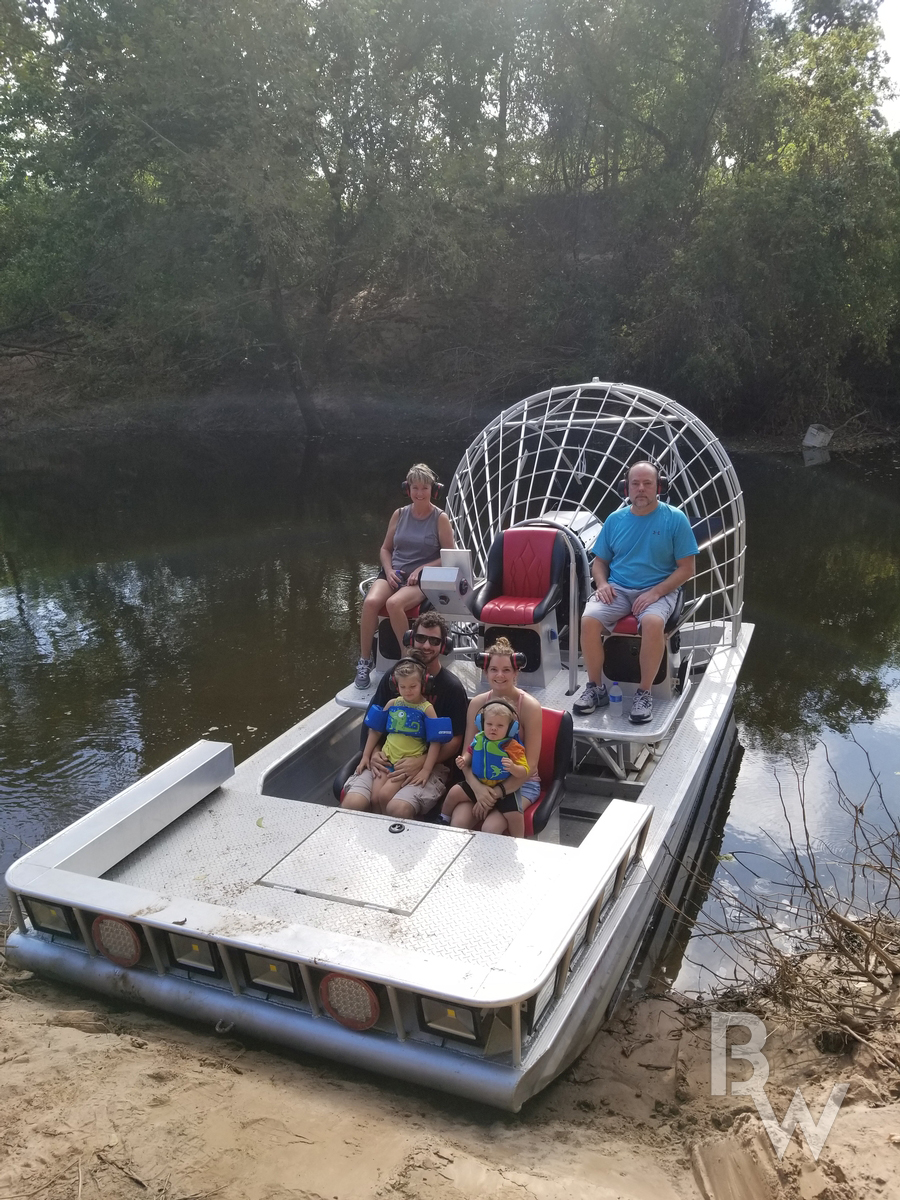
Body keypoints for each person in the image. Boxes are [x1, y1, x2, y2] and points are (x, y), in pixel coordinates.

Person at [573, 460, 698, 724]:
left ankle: (644, 693)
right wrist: (603, 584)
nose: (641, 489)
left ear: (659, 487)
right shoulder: (615, 520)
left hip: (658, 589)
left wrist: (655, 593)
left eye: (647, 483)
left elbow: (687, 568)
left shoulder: (675, 518)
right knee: (588, 620)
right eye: (635, 484)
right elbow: (600, 562)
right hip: (618, 587)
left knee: (652, 622)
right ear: (626, 488)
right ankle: (596, 687)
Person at [341, 611, 468, 820]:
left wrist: (422, 762)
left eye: (434, 641)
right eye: (420, 638)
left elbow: (455, 741)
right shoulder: (393, 678)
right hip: (386, 756)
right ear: (410, 638)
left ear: (443, 646)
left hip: (429, 764)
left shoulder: (452, 688)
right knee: (353, 804)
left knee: (396, 808)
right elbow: (373, 724)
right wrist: (372, 754)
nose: (426, 645)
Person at [355, 463, 455, 689]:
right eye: (415, 488)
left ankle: (407, 660)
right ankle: (364, 661)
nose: (420, 493)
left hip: (421, 578)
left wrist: (423, 569)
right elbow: (385, 549)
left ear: (434, 490)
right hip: (394, 572)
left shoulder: (440, 518)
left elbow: (450, 556)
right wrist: (389, 571)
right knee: (370, 602)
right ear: (407, 490)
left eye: (424, 488)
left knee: (393, 604)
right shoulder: (399, 514)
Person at [449, 637, 542, 836]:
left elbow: (531, 765)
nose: (500, 675)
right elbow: (468, 755)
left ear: (517, 672)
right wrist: (478, 789)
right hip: (482, 780)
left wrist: (495, 794)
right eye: (494, 669)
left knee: (490, 828)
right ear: (486, 671)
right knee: (458, 821)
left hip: (520, 782)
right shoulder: (477, 704)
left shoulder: (529, 707)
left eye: (506, 670)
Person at [342, 658, 442, 813]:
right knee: (375, 798)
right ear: (396, 686)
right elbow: (375, 731)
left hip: (405, 763)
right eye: (403, 687)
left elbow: (436, 741)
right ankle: (376, 830)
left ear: (423, 684)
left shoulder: (427, 709)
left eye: (413, 686)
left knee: (385, 795)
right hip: (386, 758)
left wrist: (426, 770)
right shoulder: (392, 704)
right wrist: (366, 756)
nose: (408, 691)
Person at [441, 699, 529, 838]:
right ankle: (443, 819)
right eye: (489, 724)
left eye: (500, 725)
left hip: (504, 789)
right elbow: (470, 752)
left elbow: (524, 771)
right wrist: (464, 760)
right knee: (454, 792)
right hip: (478, 783)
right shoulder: (478, 738)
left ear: (511, 728)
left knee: (515, 815)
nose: (493, 728)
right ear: (481, 724)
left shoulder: (512, 746)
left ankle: (520, 841)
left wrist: (513, 768)